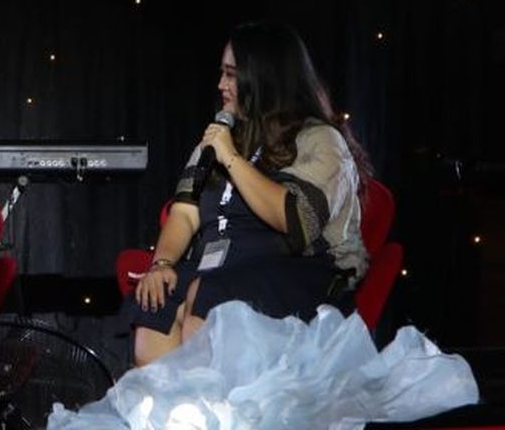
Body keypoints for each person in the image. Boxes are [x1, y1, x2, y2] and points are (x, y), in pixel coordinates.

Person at [130, 20, 370, 366]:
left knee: (210, 293)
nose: (221, 85)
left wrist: (230, 158)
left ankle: (212, 398)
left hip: (299, 273)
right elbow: (184, 212)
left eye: (231, 75)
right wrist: (162, 264)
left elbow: (296, 219)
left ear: (265, 79)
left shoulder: (319, 140)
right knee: (158, 298)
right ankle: (164, 400)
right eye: (221, 73)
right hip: (221, 266)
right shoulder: (219, 137)